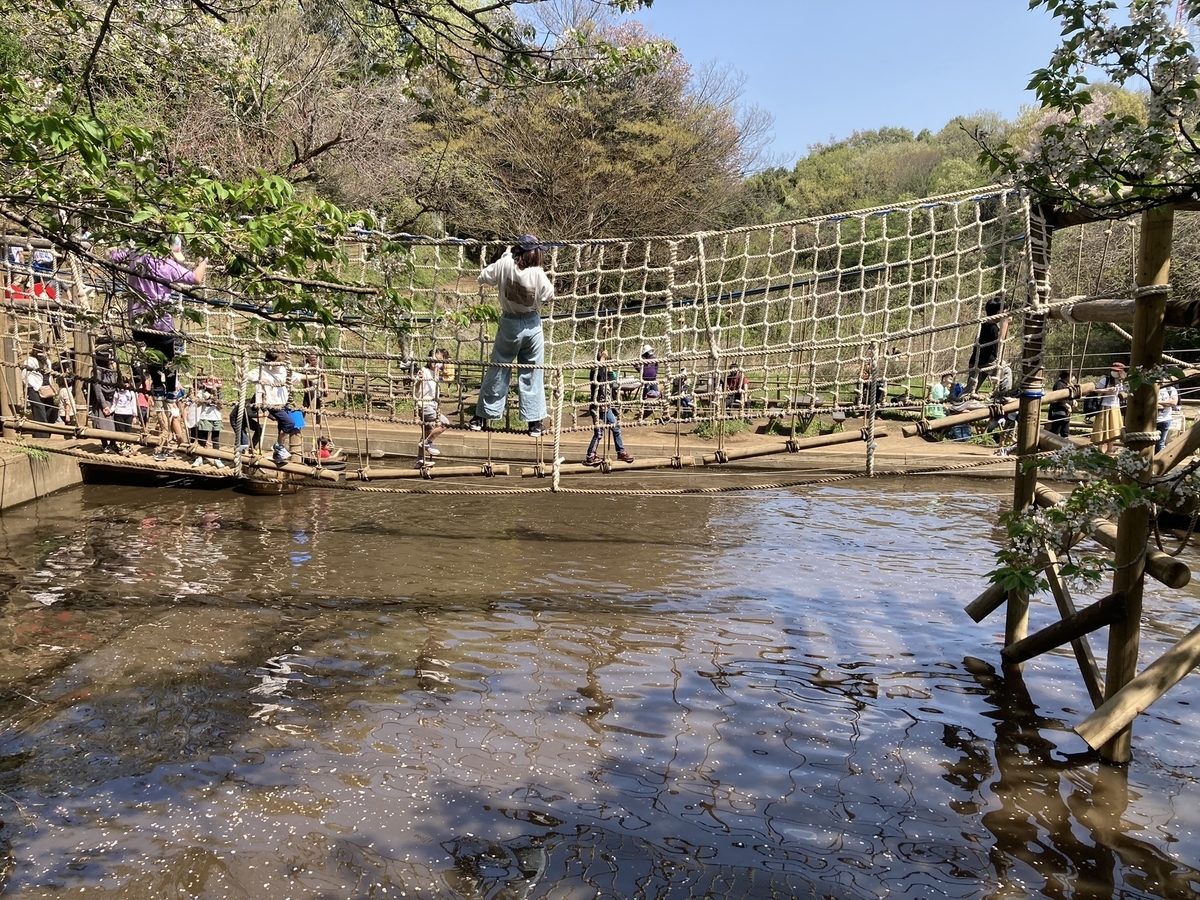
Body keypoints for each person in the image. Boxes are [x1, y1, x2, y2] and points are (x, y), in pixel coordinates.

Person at [472, 235, 553, 436]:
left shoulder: (505, 263)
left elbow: (483, 277)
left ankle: (481, 416)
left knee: (499, 368)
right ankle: (534, 422)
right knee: (533, 372)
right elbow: (549, 295)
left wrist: (504, 258)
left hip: (509, 322)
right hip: (532, 324)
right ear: (533, 253)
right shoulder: (537, 272)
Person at [111, 235, 207, 398]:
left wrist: (116, 249)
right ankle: (171, 390)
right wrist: (203, 262)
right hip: (160, 321)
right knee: (169, 356)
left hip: (136, 321)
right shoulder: (168, 265)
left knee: (151, 351)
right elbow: (196, 278)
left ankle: (157, 387)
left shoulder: (136, 253)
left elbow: (114, 257)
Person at [248, 349, 302, 463]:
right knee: (290, 423)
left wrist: (316, 376)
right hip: (271, 404)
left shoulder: (282, 369)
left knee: (281, 428)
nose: (281, 362)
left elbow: (297, 377)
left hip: (282, 404)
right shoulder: (261, 370)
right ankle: (278, 446)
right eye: (279, 360)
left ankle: (277, 455)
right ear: (271, 361)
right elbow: (247, 376)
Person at [585, 350, 634, 466]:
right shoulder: (595, 372)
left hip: (608, 407)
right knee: (599, 433)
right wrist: (602, 359)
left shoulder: (607, 375)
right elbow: (596, 373)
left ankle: (620, 452)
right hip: (597, 408)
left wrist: (610, 367)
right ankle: (590, 455)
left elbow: (614, 385)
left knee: (616, 428)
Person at [965, 295, 1010, 397]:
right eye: (1006, 311)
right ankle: (1004, 395)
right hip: (987, 362)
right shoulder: (991, 326)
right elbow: (1000, 339)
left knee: (971, 388)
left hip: (977, 361)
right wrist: (1006, 323)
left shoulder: (985, 323)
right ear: (999, 313)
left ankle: (960, 404)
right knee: (1006, 370)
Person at [414, 350, 449, 466]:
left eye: (439, 361)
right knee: (445, 423)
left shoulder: (436, 374)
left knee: (426, 433)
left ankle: (419, 459)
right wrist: (419, 380)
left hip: (433, 406)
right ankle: (428, 443)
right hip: (425, 405)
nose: (435, 363)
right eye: (433, 360)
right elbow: (416, 390)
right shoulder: (424, 371)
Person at [1091, 361, 1126, 454]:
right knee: (1101, 428)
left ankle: (1110, 449)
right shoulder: (1105, 380)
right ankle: (1099, 449)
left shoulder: (1123, 382)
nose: (1114, 372)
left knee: (1113, 429)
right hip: (1104, 406)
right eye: (1113, 370)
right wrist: (1106, 391)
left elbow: (1127, 391)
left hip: (1115, 407)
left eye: (1117, 371)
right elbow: (1095, 390)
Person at [89, 347, 119, 453]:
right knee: (105, 424)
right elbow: (97, 390)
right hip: (103, 401)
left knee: (114, 425)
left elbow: (114, 382)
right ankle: (105, 445)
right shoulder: (97, 371)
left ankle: (113, 444)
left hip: (112, 399)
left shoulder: (110, 370)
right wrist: (104, 405)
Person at [21, 343, 54, 437]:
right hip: (35, 390)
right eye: (46, 350)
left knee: (51, 413)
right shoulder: (30, 361)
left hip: (47, 389)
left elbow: (49, 374)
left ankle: (44, 434)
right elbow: (24, 377)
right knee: (40, 414)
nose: (48, 352)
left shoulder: (47, 361)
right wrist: (35, 386)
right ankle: (42, 439)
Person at [193, 377, 225, 467]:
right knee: (202, 439)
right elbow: (197, 404)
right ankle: (199, 457)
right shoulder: (202, 392)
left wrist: (216, 400)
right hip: (205, 417)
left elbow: (220, 407)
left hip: (216, 418)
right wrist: (203, 399)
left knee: (215, 439)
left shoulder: (219, 394)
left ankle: (217, 459)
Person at [301, 352, 327, 426]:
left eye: (314, 358)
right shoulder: (304, 364)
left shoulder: (321, 364)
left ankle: (318, 422)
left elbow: (324, 377)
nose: (313, 360)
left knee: (319, 403)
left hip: (319, 384)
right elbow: (302, 377)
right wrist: (305, 386)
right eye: (311, 359)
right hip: (309, 383)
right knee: (306, 402)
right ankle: (301, 420)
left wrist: (326, 387)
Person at [1048, 370, 1074, 439]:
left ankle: (1065, 447)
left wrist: (1073, 401)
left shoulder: (1067, 385)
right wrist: (1067, 406)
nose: (1073, 378)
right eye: (1072, 376)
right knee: (1056, 431)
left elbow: (1070, 396)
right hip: (1059, 412)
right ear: (1068, 376)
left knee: (1065, 432)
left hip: (1066, 413)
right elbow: (1057, 398)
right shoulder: (1059, 384)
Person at [1156, 380, 1180, 453]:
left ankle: (1160, 461)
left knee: (1160, 443)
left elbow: (1174, 402)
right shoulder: (1150, 388)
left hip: (1164, 419)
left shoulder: (1170, 389)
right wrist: (1165, 404)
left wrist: (1157, 402)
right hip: (1150, 420)